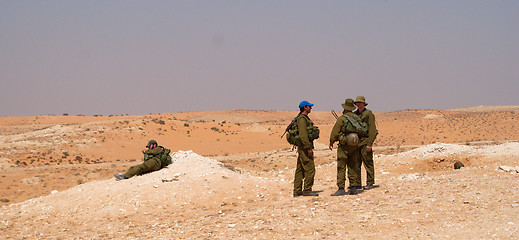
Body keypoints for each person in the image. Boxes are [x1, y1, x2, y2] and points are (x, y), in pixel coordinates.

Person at [329, 98, 363, 196]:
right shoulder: (357, 118)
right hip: (355, 146)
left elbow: (334, 132)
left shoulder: (342, 119)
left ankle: (341, 188)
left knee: (341, 166)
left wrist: (331, 142)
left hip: (344, 146)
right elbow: (362, 130)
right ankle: (353, 187)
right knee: (353, 165)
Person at [292, 101, 319, 197]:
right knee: (310, 168)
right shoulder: (302, 120)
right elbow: (303, 135)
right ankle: (307, 190)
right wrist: (308, 148)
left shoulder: (303, 118)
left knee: (300, 170)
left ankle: (297, 190)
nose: (310, 108)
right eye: (309, 106)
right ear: (305, 107)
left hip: (302, 147)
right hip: (304, 148)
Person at [354, 96, 378, 190]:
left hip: (365, 141)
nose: (358, 104)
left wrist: (369, 143)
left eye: (360, 102)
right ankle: (357, 183)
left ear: (364, 103)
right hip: (356, 143)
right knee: (356, 163)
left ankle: (370, 182)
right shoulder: (355, 114)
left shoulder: (368, 114)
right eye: (357, 103)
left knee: (368, 162)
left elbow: (372, 129)